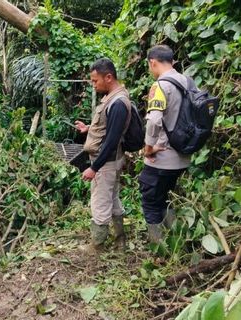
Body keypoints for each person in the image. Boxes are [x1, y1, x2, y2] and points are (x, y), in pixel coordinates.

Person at [74, 58, 132, 254]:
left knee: (100, 202)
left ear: (108, 77)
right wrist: (89, 129)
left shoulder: (117, 103)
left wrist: (94, 167)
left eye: (95, 80)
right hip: (112, 161)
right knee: (113, 199)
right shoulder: (115, 98)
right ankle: (120, 241)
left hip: (106, 162)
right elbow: (109, 130)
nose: (93, 84)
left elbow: (112, 140)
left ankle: (97, 246)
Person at [140, 45, 190, 244]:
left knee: (150, 201)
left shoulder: (160, 86)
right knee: (164, 197)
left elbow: (154, 121)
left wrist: (148, 147)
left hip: (162, 157)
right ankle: (176, 241)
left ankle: (159, 248)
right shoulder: (187, 81)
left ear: (153, 62)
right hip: (183, 156)